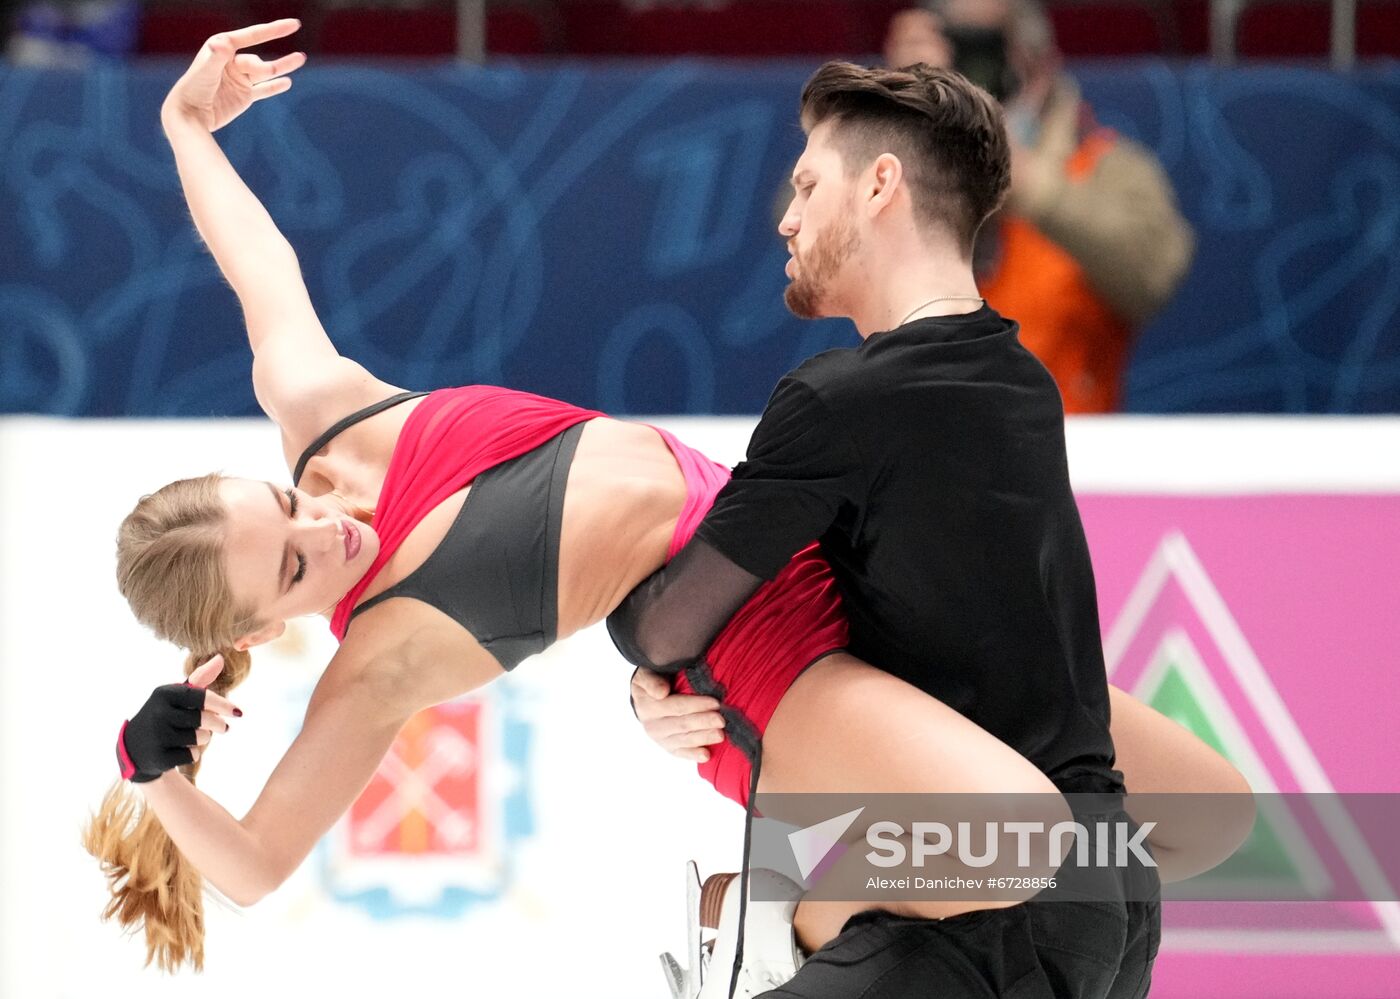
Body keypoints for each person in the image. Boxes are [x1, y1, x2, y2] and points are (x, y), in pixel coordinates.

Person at [85, 23, 1249, 987]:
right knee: (1027, 845)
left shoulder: (329, 413)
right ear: (258, 634)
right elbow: (249, 867)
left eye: (284, 505)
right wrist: (161, 777)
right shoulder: (379, 658)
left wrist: (184, 125)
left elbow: (260, 265)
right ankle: (774, 918)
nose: (321, 529)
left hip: (834, 568)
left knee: (1207, 814)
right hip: (763, 658)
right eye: (293, 570)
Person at [608, 61, 1221, 998]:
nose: (787, 218)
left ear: (881, 183)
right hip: (1111, 896)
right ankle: (767, 912)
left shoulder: (840, 402)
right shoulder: (1023, 383)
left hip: (970, 904)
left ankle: (760, 914)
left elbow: (661, 622)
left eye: (808, 186)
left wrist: (653, 680)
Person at [877, 0, 1194, 414]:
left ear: (1040, 61)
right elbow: (801, 219)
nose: (975, 75)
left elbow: (1154, 273)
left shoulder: (1105, 168)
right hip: (919, 449)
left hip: (1069, 453)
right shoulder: (898, 161)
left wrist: (1030, 186)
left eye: (988, 50)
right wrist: (892, 112)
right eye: (960, 50)